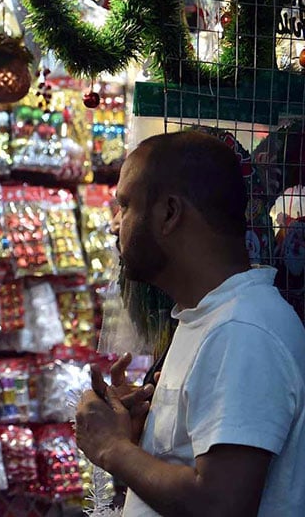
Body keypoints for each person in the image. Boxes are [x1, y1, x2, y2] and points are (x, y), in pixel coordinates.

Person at [75, 130, 305, 516]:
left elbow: (219, 504)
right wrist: (139, 436)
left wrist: (112, 449)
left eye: (126, 205)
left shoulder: (243, 330)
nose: (116, 225)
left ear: (169, 213)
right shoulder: (210, 317)